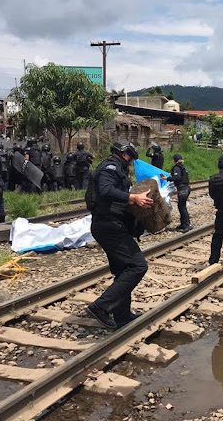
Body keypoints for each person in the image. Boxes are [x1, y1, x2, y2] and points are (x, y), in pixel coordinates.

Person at [86, 141, 153, 329]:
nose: (131, 161)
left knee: (123, 270)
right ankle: (101, 307)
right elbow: (106, 190)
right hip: (108, 226)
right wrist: (133, 198)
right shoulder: (109, 168)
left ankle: (122, 315)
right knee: (137, 266)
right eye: (130, 157)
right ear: (124, 154)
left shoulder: (118, 170)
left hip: (113, 225)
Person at [165, 154, 193, 232]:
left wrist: (167, 178)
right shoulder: (183, 167)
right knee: (181, 206)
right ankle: (184, 224)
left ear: (174, 160)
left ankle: (187, 225)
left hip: (182, 190)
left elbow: (177, 177)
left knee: (182, 207)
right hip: (186, 188)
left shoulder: (177, 168)